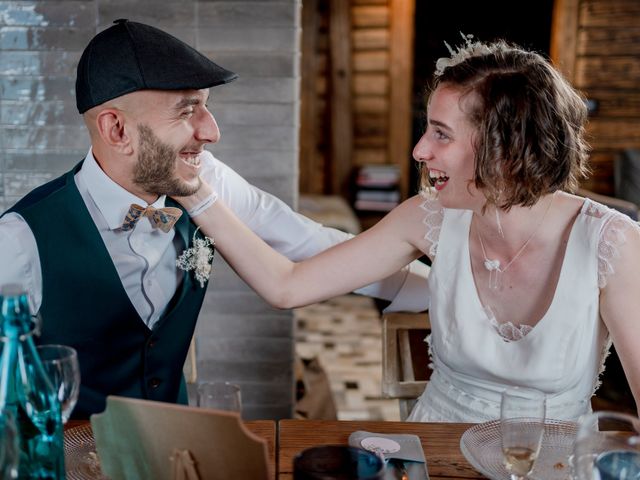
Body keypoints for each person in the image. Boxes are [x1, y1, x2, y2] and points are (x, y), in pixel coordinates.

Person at [175, 37, 640, 422]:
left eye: (441, 133)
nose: (419, 150)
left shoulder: (611, 243)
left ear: (506, 148)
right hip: (430, 455)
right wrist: (196, 193)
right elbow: (287, 285)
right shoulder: (428, 216)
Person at [0, 19, 429, 419]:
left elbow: (315, 247)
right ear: (117, 130)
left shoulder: (204, 181)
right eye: (188, 111)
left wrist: (448, 294)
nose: (211, 131)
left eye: (206, 107)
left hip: (181, 453)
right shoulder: (19, 242)